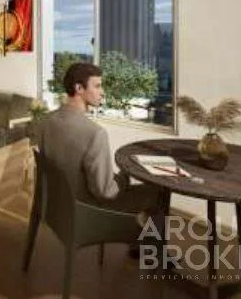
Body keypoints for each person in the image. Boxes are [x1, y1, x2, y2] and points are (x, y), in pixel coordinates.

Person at [38, 62, 160, 216]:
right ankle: (147, 233)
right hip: (86, 212)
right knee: (156, 193)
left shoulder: (46, 120)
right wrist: (123, 178)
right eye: (97, 86)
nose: (102, 92)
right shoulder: (95, 133)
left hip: (56, 206)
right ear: (79, 88)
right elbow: (106, 193)